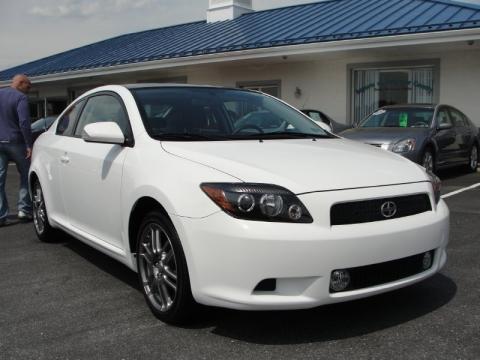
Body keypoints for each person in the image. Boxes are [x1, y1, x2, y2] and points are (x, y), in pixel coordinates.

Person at [0, 74, 33, 226]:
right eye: (28, 85)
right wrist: (29, 144)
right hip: (16, 142)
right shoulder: (21, 98)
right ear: (20, 83)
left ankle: (1, 215)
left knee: (0, 179)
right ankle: (24, 210)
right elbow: (24, 122)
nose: (29, 89)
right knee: (26, 174)